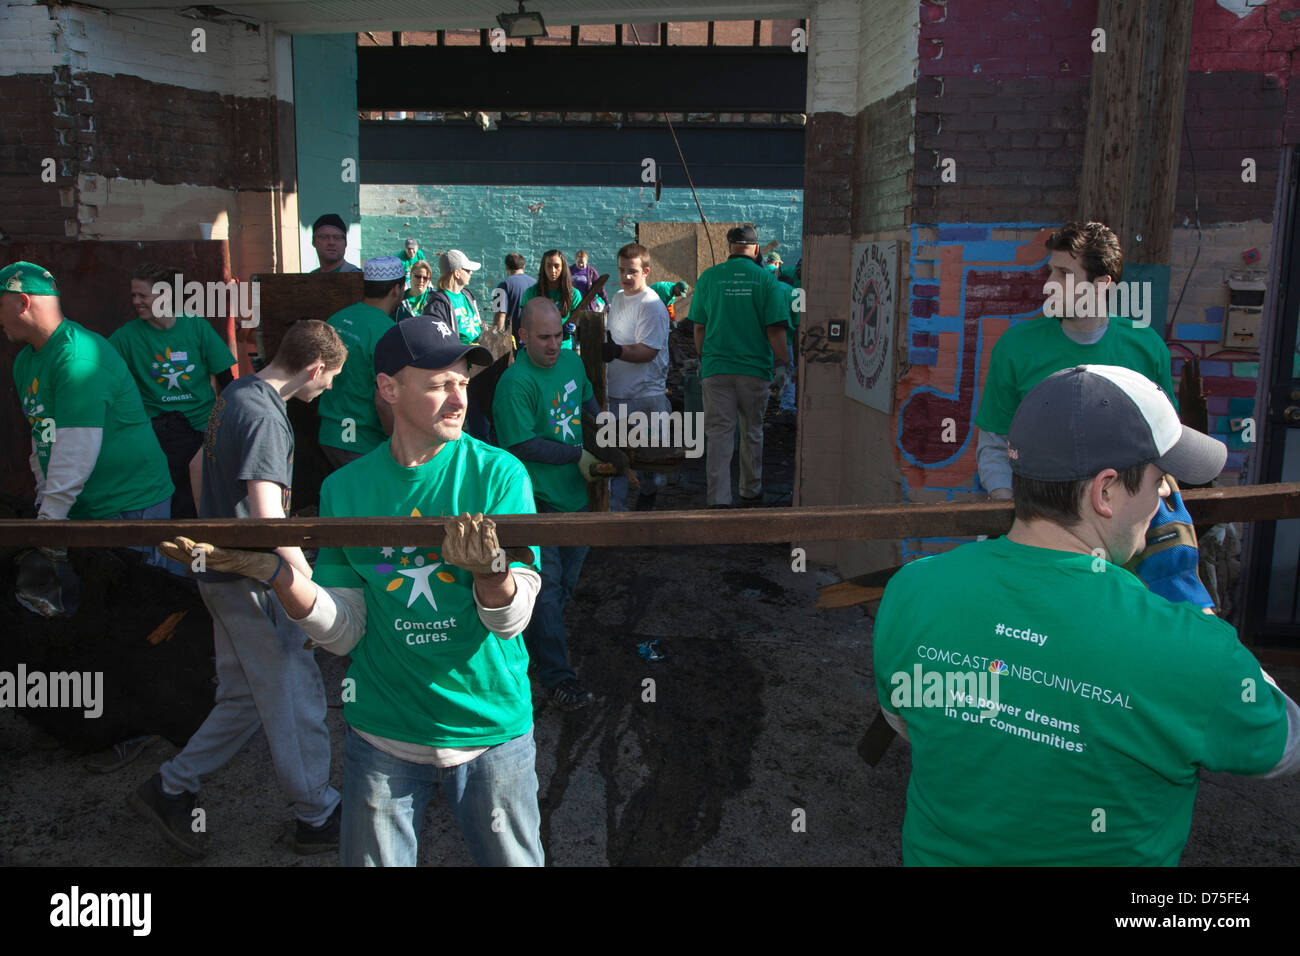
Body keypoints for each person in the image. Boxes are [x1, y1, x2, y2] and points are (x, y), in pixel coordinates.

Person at [873, 364, 1298, 866]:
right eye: (1160, 479)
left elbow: (906, 722)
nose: (1166, 496)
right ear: (1105, 491)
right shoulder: (1190, 648)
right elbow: (1283, 743)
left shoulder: (912, 590)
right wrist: (1189, 600)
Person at [162, 316, 546, 867]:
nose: (459, 397)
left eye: (463, 381)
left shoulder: (501, 476)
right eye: (439, 383)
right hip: (381, 736)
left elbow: (512, 622)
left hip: (490, 732)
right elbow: (345, 632)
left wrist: (491, 574)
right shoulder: (346, 488)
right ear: (389, 389)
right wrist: (279, 577)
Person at [133, 319, 348, 859]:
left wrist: (212, 529)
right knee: (293, 692)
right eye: (330, 380)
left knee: (246, 698)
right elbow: (267, 516)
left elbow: (197, 464)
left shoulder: (235, 393)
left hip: (217, 574)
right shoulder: (266, 416)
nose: (328, 390)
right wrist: (309, 589)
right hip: (251, 580)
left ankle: (170, 786)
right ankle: (318, 813)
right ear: (314, 369)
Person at [1, 261, 175, 589]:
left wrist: (49, 524)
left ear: (23, 302)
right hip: (82, 508)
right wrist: (46, 506)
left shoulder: (78, 357)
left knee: (135, 609)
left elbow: (76, 450)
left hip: (128, 507)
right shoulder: (26, 360)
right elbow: (42, 437)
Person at [976, 221, 1176, 502]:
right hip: (1038, 517)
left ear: (1100, 284)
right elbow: (995, 444)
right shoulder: (1015, 347)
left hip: (1122, 519)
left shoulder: (1147, 347)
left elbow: (1167, 443)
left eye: (1064, 274)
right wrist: (1008, 505)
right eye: (1050, 273)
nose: (1048, 285)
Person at [493, 298, 601, 711]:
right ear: (522, 337)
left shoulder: (572, 363)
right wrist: (577, 456)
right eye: (544, 338)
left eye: (560, 335)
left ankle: (539, 646)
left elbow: (587, 402)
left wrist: (606, 429)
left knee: (566, 583)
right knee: (548, 589)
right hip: (536, 503)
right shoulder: (515, 383)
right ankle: (558, 677)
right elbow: (519, 443)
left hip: (575, 497)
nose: (554, 344)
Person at [110, 263, 236, 520]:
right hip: (156, 432)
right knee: (170, 501)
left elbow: (227, 378)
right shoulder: (125, 337)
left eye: (142, 295)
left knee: (203, 500)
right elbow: (105, 378)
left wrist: (230, 422)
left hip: (202, 427)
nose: (136, 302)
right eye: (133, 295)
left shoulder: (195, 326)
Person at [690, 225, 790, 508]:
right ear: (756, 250)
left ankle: (719, 499)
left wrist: (703, 358)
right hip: (754, 371)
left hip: (717, 369)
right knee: (752, 431)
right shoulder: (767, 281)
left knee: (720, 434)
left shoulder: (709, 277)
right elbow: (775, 330)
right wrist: (783, 364)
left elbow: (699, 327)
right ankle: (750, 490)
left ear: (729, 248)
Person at [318, 257, 405, 470]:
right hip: (362, 442)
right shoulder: (388, 333)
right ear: (397, 289)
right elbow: (383, 400)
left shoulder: (336, 319)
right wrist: (401, 445)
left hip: (329, 434)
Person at [602, 242, 672, 511]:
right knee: (615, 458)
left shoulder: (652, 304)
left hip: (645, 396)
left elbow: (648, 351)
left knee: (647, 461)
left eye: (632, 271)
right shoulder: (618, 298)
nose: (626, 276)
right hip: (616, 392)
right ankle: (616, 513)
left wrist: (615, 350)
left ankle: (650, 500)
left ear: (646, 271)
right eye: (621, 270)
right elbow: (615, 334)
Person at [426, 250, 490, 440]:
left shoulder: (468, 296)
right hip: (456, 371)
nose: (471, 273)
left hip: (477, 369)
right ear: (456, 273)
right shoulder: (438, 304)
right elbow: (437, 342)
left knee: (481, 422)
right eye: (467, 270)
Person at [521, 250, 582, 351]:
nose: (553, 270)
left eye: (557, 266)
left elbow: (581, 325)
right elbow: (524, 322)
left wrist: (574, 328)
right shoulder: (531, 293)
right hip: (538, 350)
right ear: (543, 268)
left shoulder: (573, 294)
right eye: (549, 266)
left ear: (563, 268)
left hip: (564, 349)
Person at [493, 252, 536, 339]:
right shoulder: (536, 284)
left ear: (506, 267)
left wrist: (495, 339)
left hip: (514, 341)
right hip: (534, 339)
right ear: (523, 266)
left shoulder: (503, 285)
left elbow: (500, 316)